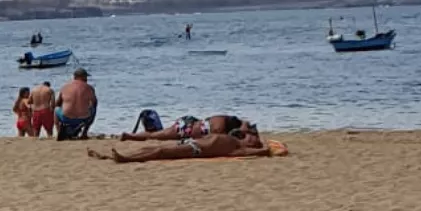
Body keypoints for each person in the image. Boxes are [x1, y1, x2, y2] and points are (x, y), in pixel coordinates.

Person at [91, 129, 274, 163]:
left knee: (160, 151)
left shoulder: (237, 148)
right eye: (251, 136)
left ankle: (125, 159)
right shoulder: (232, 138)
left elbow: (262, 152)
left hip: (194, 150)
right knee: (152, 149)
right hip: (190, 144)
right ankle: (116, 156)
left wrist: (264, 148)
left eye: (253, 140)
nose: (251, 139)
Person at [122, 115, 253, 142]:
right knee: (154, 136)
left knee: (157, 134)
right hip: (186, 129)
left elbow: (244, 123)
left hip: (189, 122)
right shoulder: (219, 129)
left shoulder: (222, 118)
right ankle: (129, 136)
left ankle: (130, 136)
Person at [56, 69, 98, 140]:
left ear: (74, 77)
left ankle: (58, 131)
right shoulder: (89, 88)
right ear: (83, 77)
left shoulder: (65, 87)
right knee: (94, 108)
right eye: (86, 77)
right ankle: (84, 133)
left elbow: (57, 103)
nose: (87, 79)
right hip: (84, 118)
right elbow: (95, 103)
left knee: (56, 109)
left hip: (66, 118)